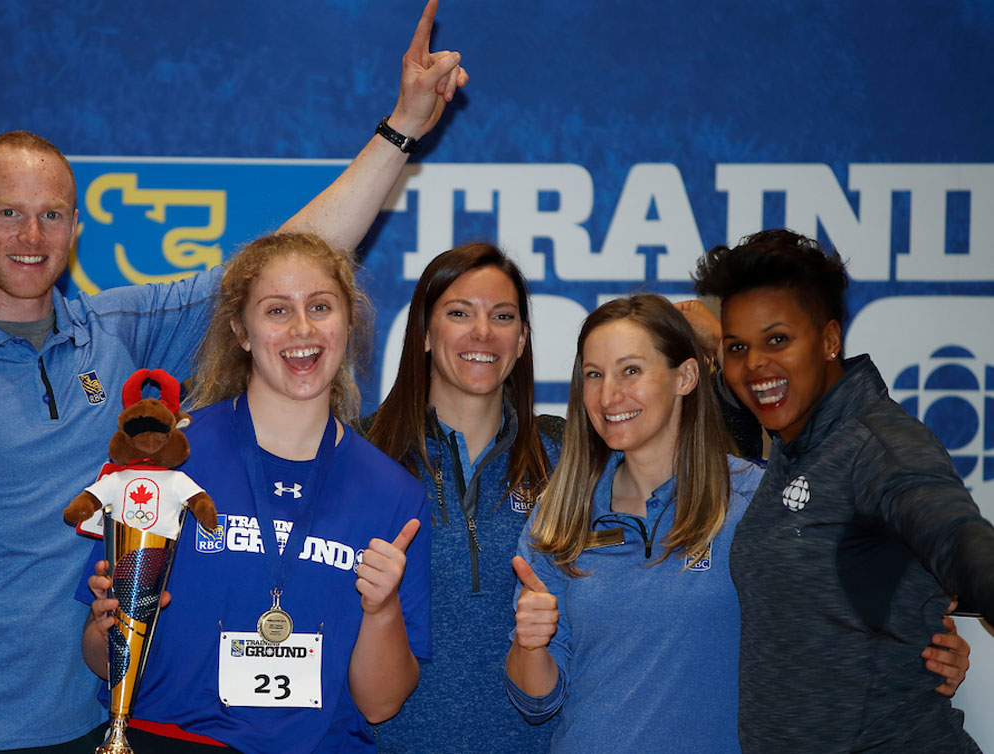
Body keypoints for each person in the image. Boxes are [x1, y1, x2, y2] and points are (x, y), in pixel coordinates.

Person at [0, 2, 468, 750]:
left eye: (52, 215)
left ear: (77, 228)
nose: (31, 237)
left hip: (97, 719)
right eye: (8, 214)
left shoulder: (118, 329)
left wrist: (401, 129)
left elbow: (282, 269)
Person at [78, 232, 430, 753]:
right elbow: (97, 654)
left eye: (320, 306)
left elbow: (381, 705)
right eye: (277, 311)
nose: (303, 329)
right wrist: (107, 625)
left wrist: (380, 612)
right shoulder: (167, 461)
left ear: (348, 323)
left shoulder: (395, 494)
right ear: (241, 330)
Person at [692, 229, 994, 753]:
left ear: (830, 340)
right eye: (739, 346)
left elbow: (960, 540)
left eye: (778, 339)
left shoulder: (880, 445)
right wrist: (696, 331)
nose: (756, 364)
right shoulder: (796, 437)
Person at [503, 293, 761, 752]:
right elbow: (536, 701)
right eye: (594, 375)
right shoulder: (560, 512)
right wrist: (530, 644)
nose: (608, 396)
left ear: (685, 376)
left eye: (631, 371)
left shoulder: (749, 500)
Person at [359, 243, 562, 752]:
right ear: (425, 334)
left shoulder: (566, 464)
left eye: (502, 316)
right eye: (458, 313)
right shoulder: (358, 456)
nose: (483, 333)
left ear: (521, 340)